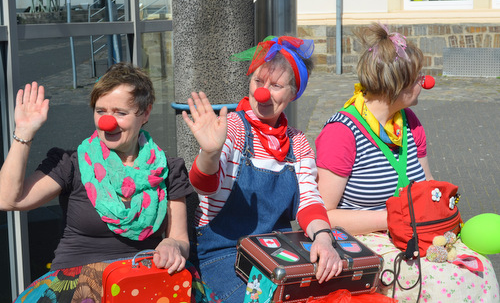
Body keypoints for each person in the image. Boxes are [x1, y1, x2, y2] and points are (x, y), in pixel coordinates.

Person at [315, 23, 499, 302]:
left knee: (478, 269)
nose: (424, 83)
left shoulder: (410, 124)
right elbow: (324, 214)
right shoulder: (341, 133)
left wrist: (440, 215)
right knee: (437, 281)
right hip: (362, 239)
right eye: (417, 78)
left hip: (412, 232)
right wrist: (393, 220)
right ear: (396, 85)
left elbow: (427, 185)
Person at [0, 62, 194, 302]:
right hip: (79, 282)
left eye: (120, 113)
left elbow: (180, 239)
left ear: (145, 113)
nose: (107, 122)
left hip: (140, 278)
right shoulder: (71, 163)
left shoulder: (168, 168)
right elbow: (9, 199)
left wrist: (172, 245)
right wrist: (24, 133)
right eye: (101, 111)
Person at [182, 36, 343, 303]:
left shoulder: (298, 142)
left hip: (277, 252)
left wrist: (324, 238)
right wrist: (210, 152)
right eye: (258, 82)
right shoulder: (231, 127)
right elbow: (204, 185)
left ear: (293, 93)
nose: (263, 93)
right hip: (225, 253)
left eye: (276, 85)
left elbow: (308, 202)